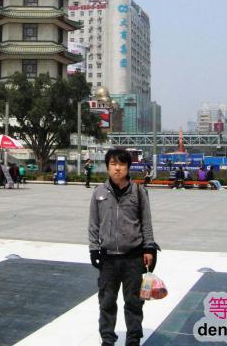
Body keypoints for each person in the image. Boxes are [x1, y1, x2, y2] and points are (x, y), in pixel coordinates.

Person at [89, 148, 159, 346]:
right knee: (106, 302)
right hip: (108, 259)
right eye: (113, 164)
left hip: (133, 258)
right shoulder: (99, 192)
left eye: (121, 164)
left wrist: (149, 248)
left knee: (134, 302)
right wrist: (94, 249)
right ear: (108, 167)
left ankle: (133, 339)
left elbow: (146, 222)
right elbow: (93, 224)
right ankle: (107, 339)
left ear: (128, 167)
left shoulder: (138, 191)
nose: (117, 168)